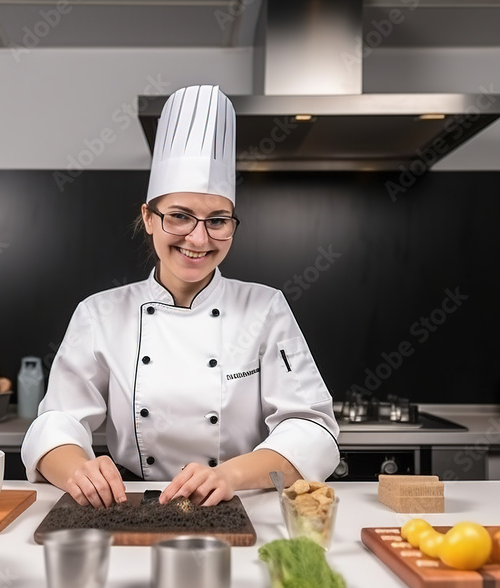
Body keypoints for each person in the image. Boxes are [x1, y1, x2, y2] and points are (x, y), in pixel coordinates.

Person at [21, 85, 339, 507]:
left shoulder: (265, 307)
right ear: (149, 219)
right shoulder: (99, 313)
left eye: (217, 220)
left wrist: (231, 474)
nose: (198, 238)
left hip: (237, 499)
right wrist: (78, 469)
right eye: (179, 217)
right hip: (130, 502)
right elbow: (58, 420)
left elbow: (312, 428)